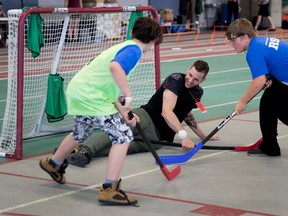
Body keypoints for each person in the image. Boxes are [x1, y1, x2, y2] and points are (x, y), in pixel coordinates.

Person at [39, 17, 163, 206]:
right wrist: (128, 95)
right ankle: (109, 189)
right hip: (91, 96)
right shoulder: (134, 49)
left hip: (80, 92)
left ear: (132, 32)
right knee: (122, 137)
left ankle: (53, 163)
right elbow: (116, 68)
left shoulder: (123, 46)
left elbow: (108, 87)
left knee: (81, 132)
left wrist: (124, 112)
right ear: (154, 41)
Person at [67, 64, 220, 167]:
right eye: (190, 74)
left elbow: (186, 114)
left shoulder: (198, 93)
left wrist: (203, 135)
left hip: (157, 141)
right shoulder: (175, 79)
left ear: (203, 80)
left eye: (196, 79)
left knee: (121, 147)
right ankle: (85, 150)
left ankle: (76, 153)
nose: (190, 80)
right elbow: (166, 112)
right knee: (117, 132)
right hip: (145, 118)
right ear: (188, 69)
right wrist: (184, 136)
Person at [226, 18, 288, 156]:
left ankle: (270, 145)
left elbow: (259, 81)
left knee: (282, 111)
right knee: (268, 104)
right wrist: (269, 77)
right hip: (282, 79)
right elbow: (275, 62)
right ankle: (269, 146)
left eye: (233, 40)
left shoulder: (253, 51)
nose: (231, 44)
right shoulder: (259, 42)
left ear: (245, 37)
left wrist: (242, 101)